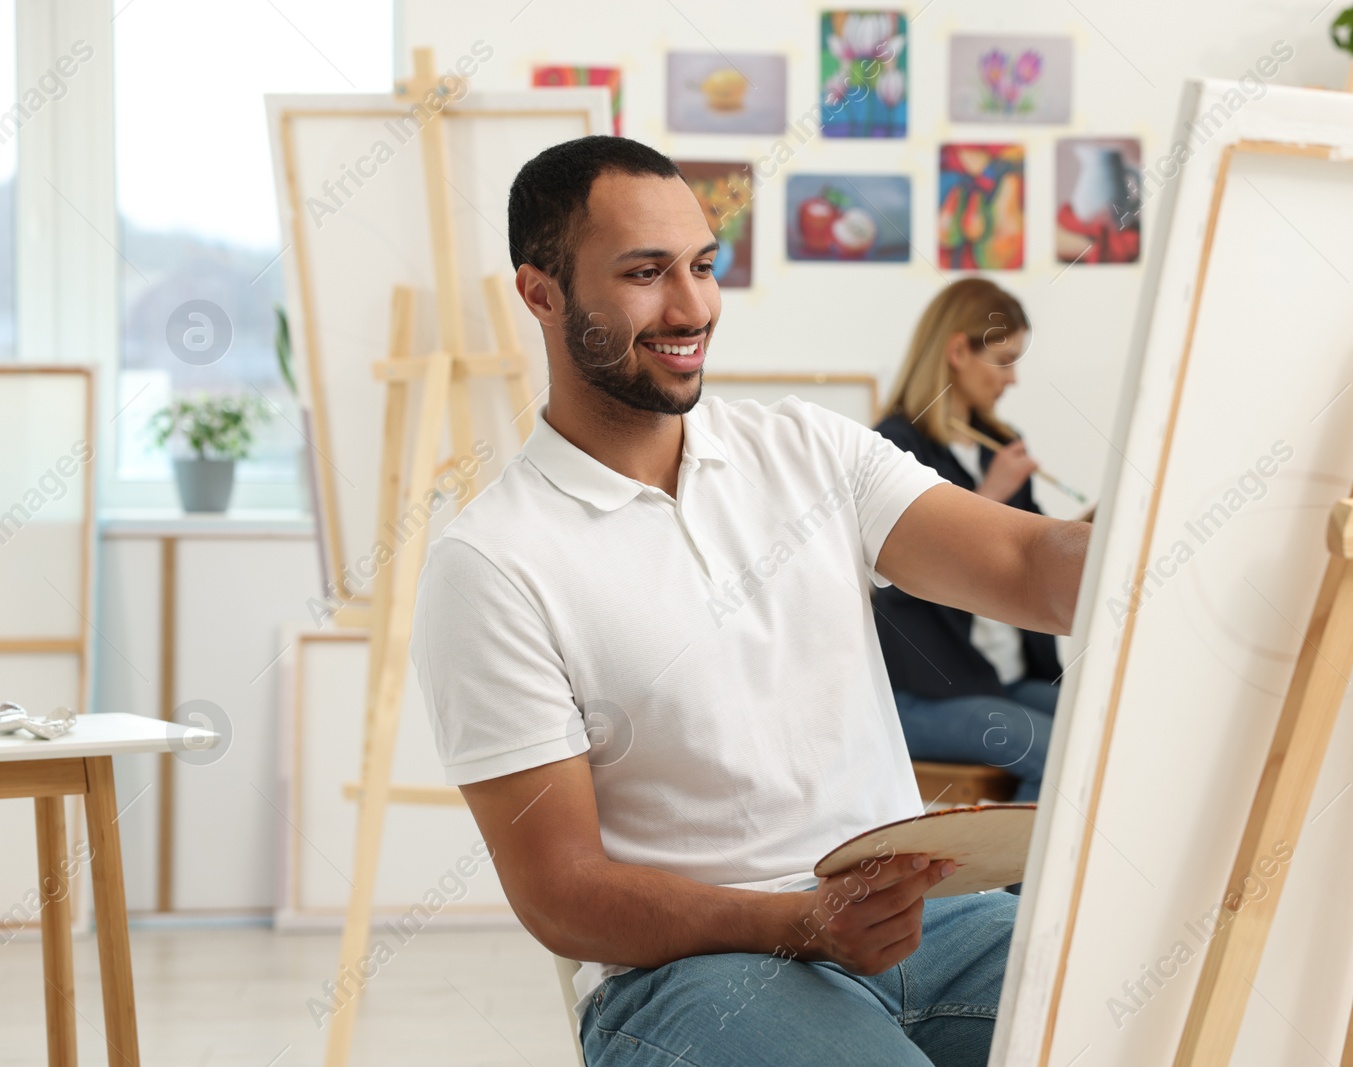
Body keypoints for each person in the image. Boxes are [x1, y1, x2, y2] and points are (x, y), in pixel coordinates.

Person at [409, 135, 1089, 1067]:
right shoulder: (490, 563)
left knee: (1180, 1005)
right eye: (646, 273)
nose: (691, 306)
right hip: (698, 972)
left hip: (931, 925)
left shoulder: (809, 449)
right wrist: (804, 922)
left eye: (702, 266)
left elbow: (1029, 566)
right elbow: (559, 893)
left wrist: (1185, 509)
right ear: (541, 293)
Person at [873, 279, 1063, 806]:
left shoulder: (1002, 444)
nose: (1013, 379)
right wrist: (991, 495)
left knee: (1106, 731)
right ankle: (1023, 893)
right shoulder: (893, 447)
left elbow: (1036, 555)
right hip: (925, 692)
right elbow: (896, 581)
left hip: (1003, 677)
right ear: (958, 351)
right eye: (1003, 361)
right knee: (1054, 752)